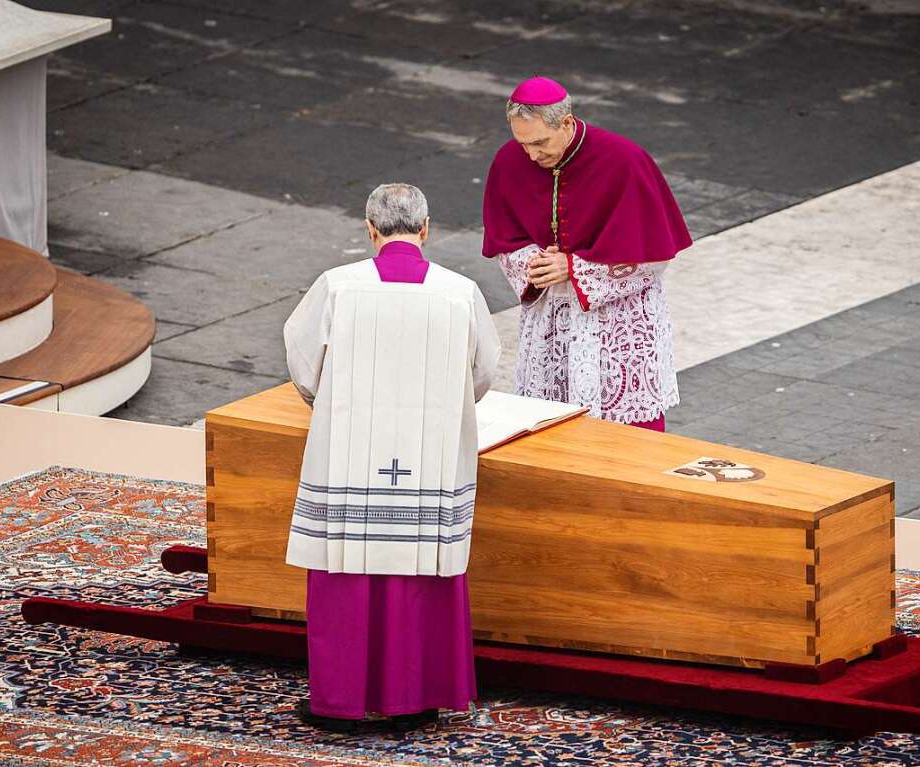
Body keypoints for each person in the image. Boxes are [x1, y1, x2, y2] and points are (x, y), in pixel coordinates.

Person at [283, 183, 500, 734]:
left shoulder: (337, 287)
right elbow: (483, 372)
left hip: (350, 452)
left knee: (345, 570)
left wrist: (326, 401)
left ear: (369, 229)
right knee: (419, 571)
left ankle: (339, 702)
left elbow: (304, 362)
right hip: (429, 456)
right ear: (426, 229)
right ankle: (416, 698)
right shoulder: (460, 292)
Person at [482, 77, 692, 431]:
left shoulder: (625, 161)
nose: (531, 155)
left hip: (617, 320)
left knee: (626, 429)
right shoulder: (509, 161)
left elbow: (654, 258)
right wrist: (537, 264)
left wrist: (574, 267)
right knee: (548, 422)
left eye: (539, 143)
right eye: (523, 144)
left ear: (566, 123)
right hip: (553, 316)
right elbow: (505, 242)